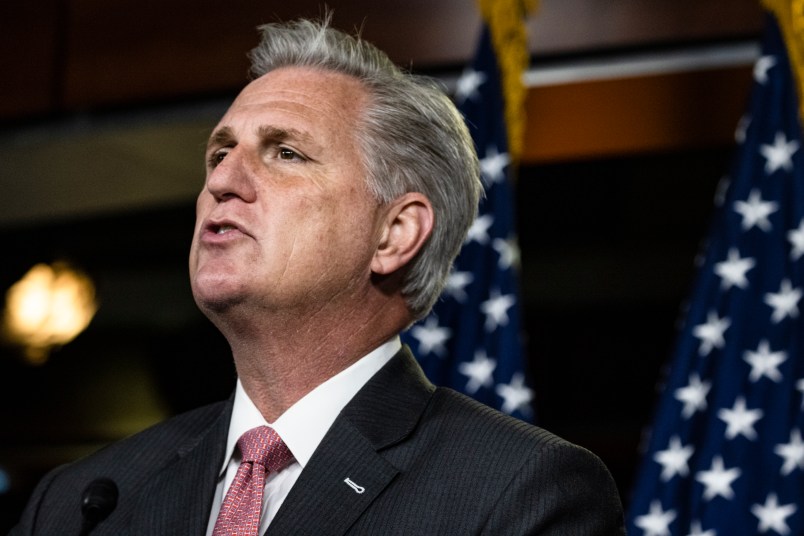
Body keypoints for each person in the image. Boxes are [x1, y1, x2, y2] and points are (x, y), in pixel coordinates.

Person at [12, 14, 625, 536]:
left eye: (285, 153)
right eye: (219, 153)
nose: (222, 180)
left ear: (394, 234)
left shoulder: (520, 493)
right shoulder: (81, 501)